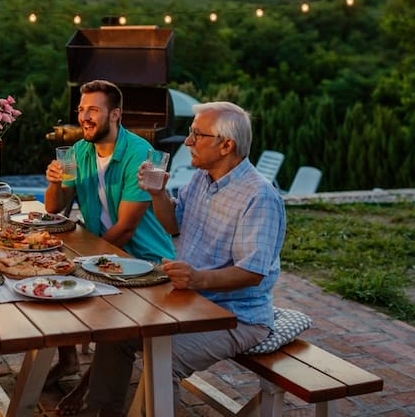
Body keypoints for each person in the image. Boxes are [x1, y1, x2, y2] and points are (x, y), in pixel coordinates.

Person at [79, 101, 286, 416]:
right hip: (190, 301)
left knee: (163, 359)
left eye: (197, 134)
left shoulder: (260, 196)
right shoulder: (203, 178)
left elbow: (253, 272)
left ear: (226, 145)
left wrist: (199, 278)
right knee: (115, 332)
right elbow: (173, 224)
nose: (188, 141)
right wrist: (158, 194)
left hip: (238, 317)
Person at [43, 79, 176, 402]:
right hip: (102, 250)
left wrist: (84, 260)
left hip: (145, 260)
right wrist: (53, 182)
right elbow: (53, 207)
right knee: (47, 270)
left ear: (115, 114)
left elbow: (127, 229)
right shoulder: (79, 150)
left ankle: (90, 388)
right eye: (80, 110)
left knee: (82, 283)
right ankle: (68, 357)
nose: (84, 117)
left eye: (93, 110)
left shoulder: (139, 154)